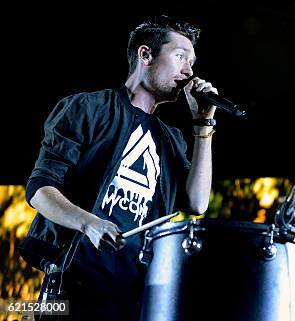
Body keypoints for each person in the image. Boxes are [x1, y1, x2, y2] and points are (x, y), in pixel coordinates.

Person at [19, 15, 215, 320]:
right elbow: (40, 190)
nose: (189, 71)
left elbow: (197, 203)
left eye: (192, 62)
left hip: (137, 295)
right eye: (180, 57)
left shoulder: (171, 140)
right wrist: (89, 223)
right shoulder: (88, 109)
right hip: (74, 285)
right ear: (145, 55)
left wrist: (203, 125)